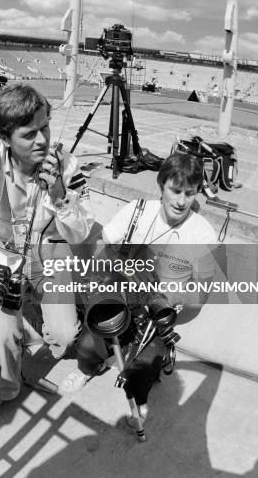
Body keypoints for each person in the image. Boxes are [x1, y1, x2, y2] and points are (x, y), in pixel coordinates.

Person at [0, 84, 94, 412]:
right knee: (4, 341)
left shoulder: (67, 165)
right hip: (3, 259)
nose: (43, 140)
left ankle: (24, 328)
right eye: (30, 134)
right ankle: (8, 386)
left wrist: (60, 195)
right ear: (6, 138)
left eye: (45, 126)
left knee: (64, 337)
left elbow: (80, 234)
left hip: (51, 252)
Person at [61, 152, 218, 410]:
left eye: (189, 193)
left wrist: (170, 301)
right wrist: (118, 269)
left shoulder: (203, 234)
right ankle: (88, 369)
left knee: (143, 371)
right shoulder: (137, 211)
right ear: (161, 185)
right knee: (88, 346)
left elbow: (201, 295)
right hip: (121, 297)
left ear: (197, 192)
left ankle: (142, 392)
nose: (180, 201)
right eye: (175, 190)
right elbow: (102, 245)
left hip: (158, 314)